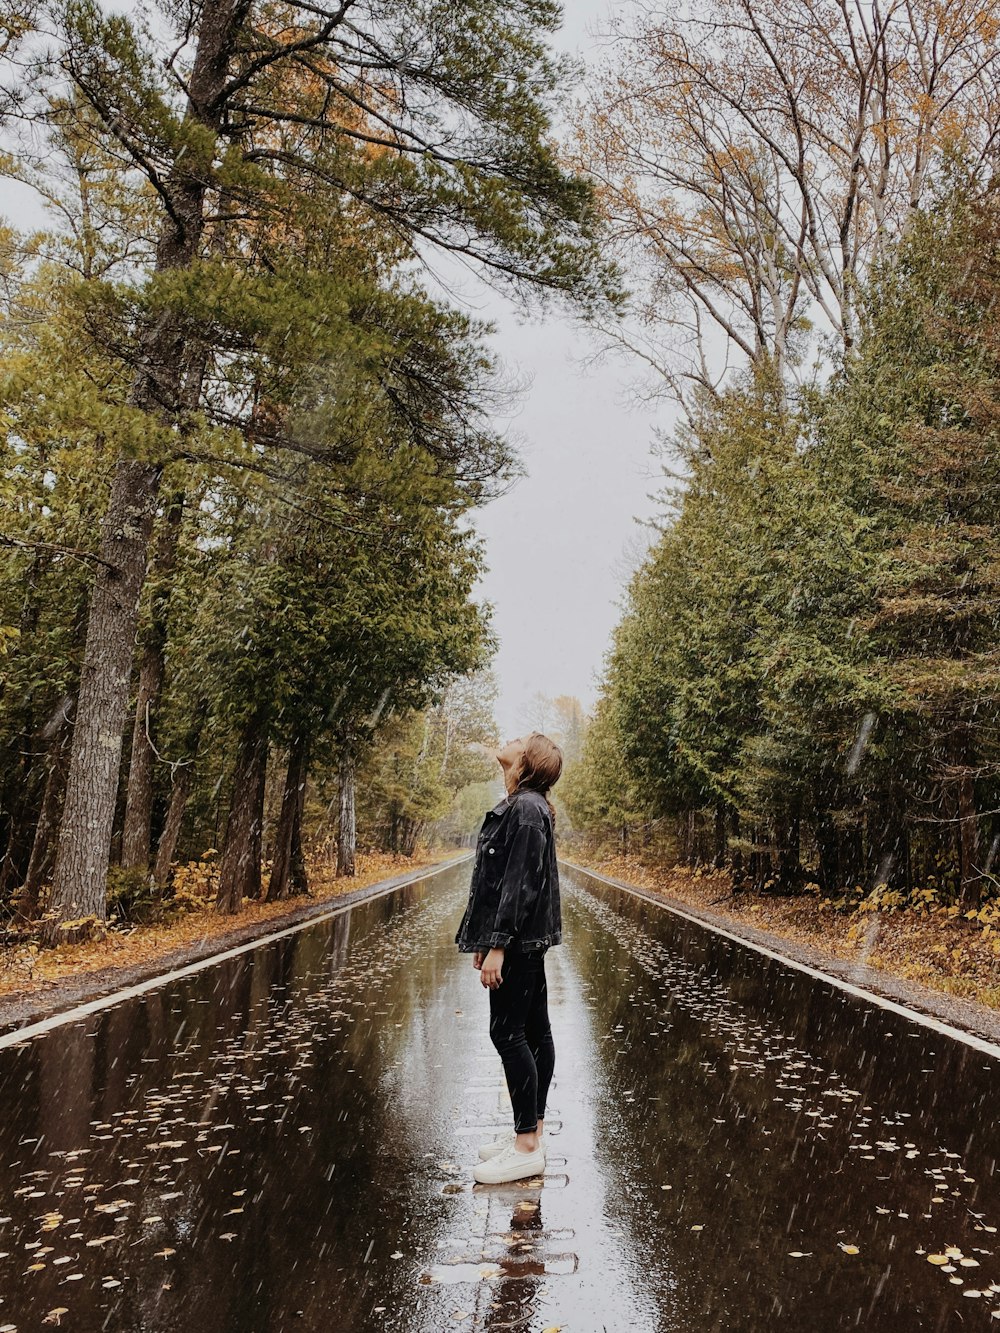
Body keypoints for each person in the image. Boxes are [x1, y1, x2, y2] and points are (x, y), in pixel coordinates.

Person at [454, 731, 563, 1185]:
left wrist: (499, 944)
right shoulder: (527, 807)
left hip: (517, 944)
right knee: (534, 1031)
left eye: (521, 739)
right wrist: (485, 937)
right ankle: (531, 1134)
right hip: (521, 940)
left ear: (526, 762)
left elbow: (519, 886)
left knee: (508, 1032)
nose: (511, 738)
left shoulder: (525, 811)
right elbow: (499, 885)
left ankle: (525, 1146)